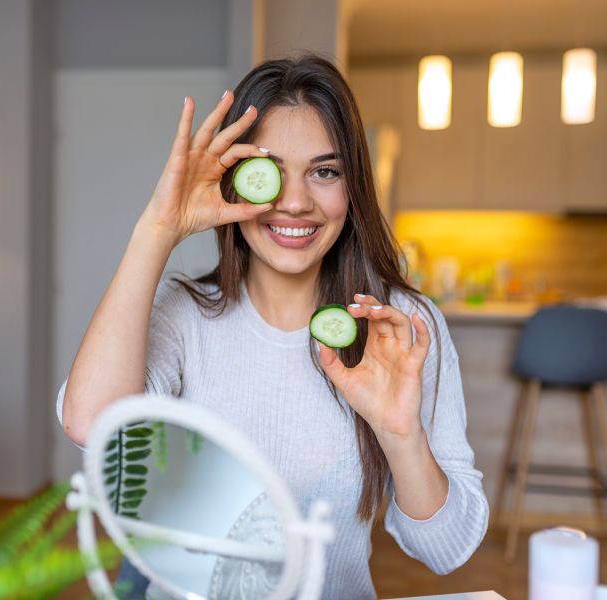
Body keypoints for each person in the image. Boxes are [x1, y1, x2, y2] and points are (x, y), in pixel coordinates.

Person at [57, 54, 488, 599]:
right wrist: (159, 228)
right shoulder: (185, 314)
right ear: (235, 183)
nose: (294, 202)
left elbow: (445, 551)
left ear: (352, 187)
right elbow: (92, 424)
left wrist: (400, 433)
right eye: (270, 172)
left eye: (324, 172)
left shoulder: (398, 329)